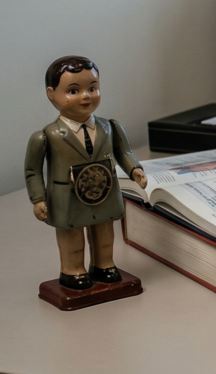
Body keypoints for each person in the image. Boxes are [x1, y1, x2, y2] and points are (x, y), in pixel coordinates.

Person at [25, 56, 147, 290]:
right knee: (71, 235)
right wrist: (38, 198)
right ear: (51, 93)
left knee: (104, 232)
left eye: (92, 88)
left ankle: (104, 265)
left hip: (104, 190)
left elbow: (124, 152)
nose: (85, 96)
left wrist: (135, 170)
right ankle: (72, 270)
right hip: (67, 195)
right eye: (73, 90)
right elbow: (32, 170)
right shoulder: (47, 136)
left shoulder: (110, 127)